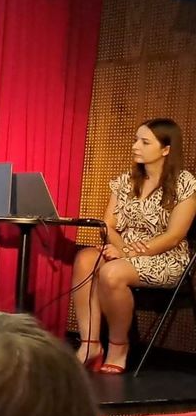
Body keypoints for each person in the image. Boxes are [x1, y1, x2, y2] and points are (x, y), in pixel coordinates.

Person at [73, 118, 196, 374]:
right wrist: (120, 248)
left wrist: (125, 252)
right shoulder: (126, 181)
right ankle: (90, 345)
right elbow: (108, 225)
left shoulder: (185, 183)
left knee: (111, 273)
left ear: (166, 149)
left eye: (145, 142)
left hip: (165, 257)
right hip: (125, 251)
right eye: (136, 140)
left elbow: (174, 236)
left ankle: (119, 347)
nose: (135, 146)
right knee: (85, 259)